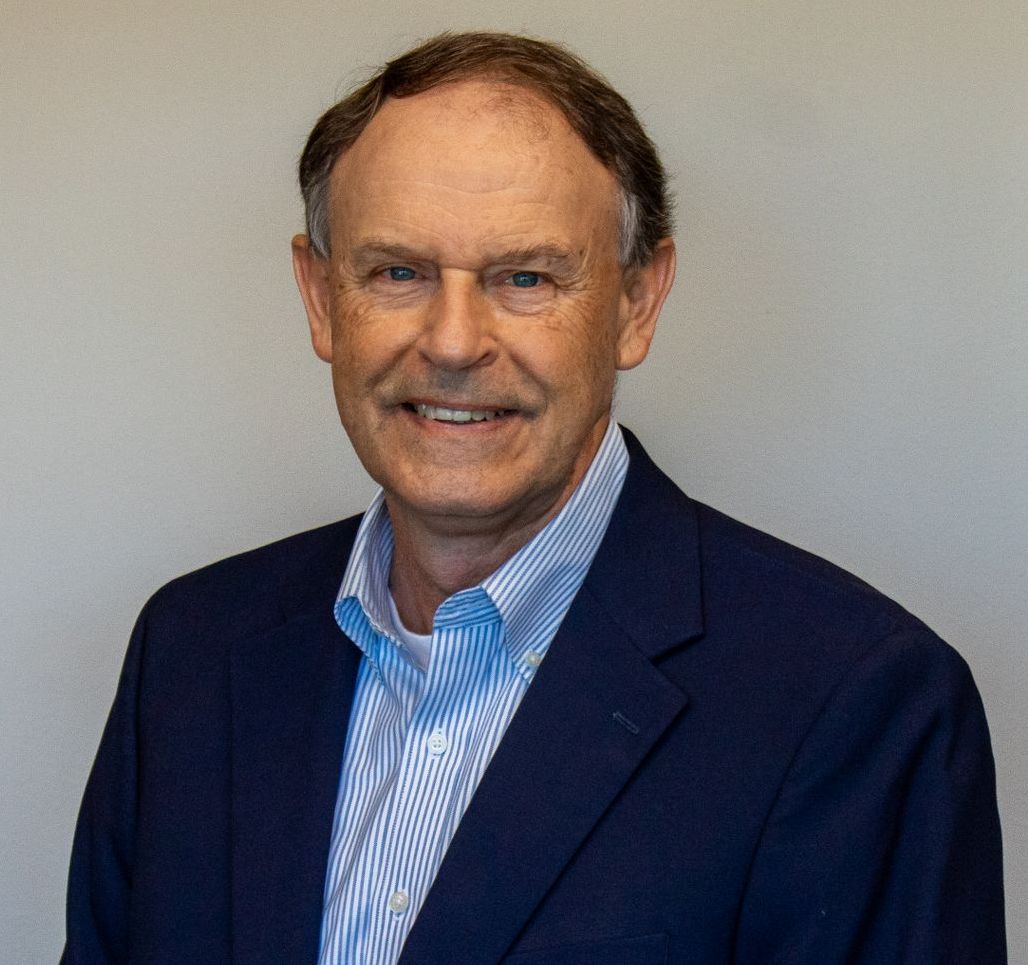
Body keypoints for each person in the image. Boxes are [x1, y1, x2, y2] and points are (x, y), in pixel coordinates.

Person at [62, 31, 1005, 965]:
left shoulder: (859, 704)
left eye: (525, 277)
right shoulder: (189, 654)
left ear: (638, 303)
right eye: (399, 272)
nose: (453, 341)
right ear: (319, 297)